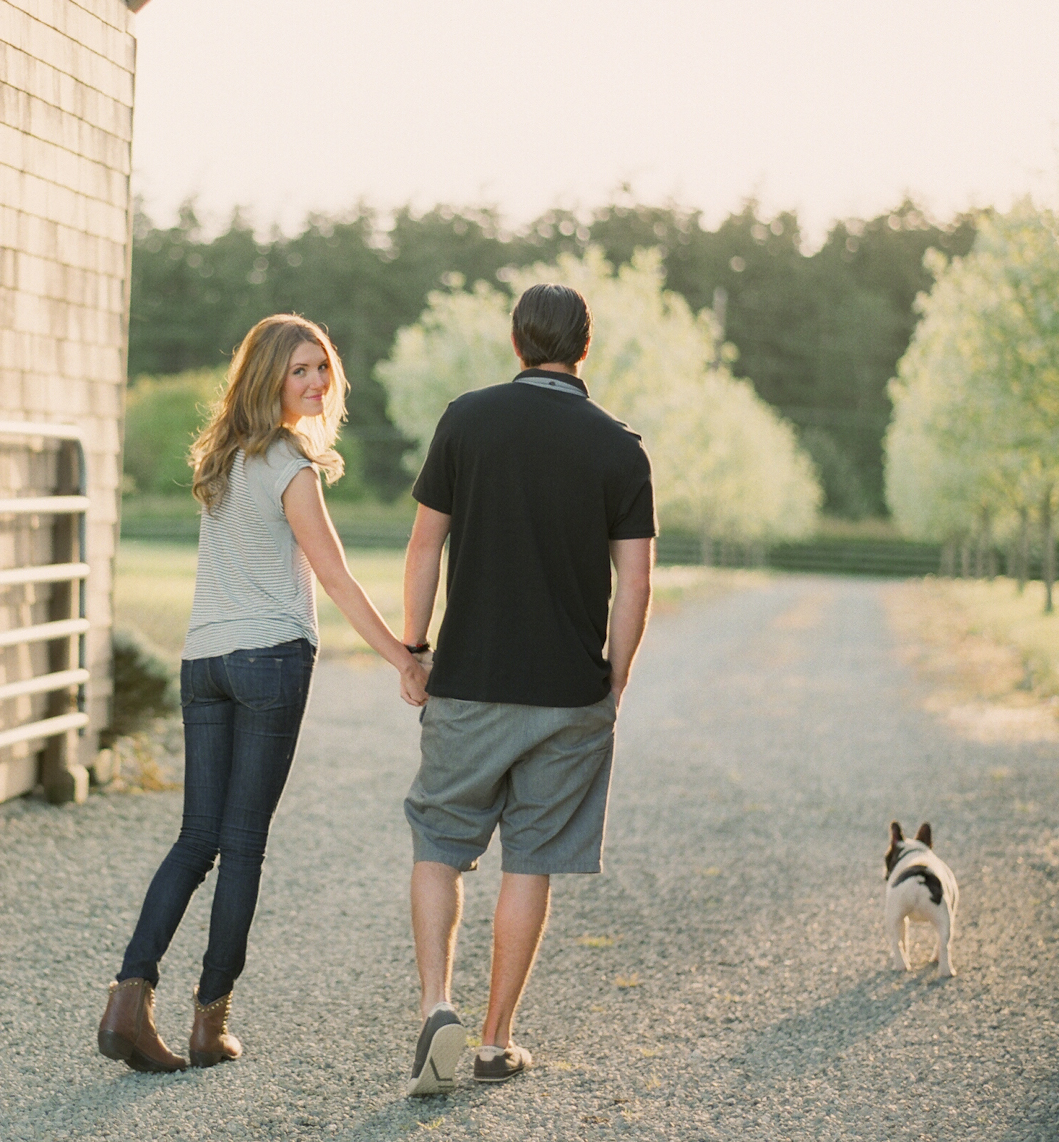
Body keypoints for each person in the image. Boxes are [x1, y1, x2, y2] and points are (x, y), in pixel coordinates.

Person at [97, 313, 430, 1073]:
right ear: (269, 378)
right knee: (240, 845)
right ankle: (210, 1024)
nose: (315, 382)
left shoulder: (221, 456)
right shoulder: (290, 465)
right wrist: (405, 659)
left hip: (204, 662)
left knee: (196, 840)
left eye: (321, 368)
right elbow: (337, 578)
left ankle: (128, 994)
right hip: (269, 661)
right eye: (299, 371)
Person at [397, 282, 655, 1095]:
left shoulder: (464, 421)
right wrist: (611, 681)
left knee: (440, 842)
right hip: (568, 692)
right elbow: (636, 584)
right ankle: (494, 1040)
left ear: (517, 342)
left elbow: (423, 549)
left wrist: (414, 648)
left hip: (469, 680)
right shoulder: (620, 446)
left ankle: (437, 1003)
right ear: (586, 348)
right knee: (531, 861)